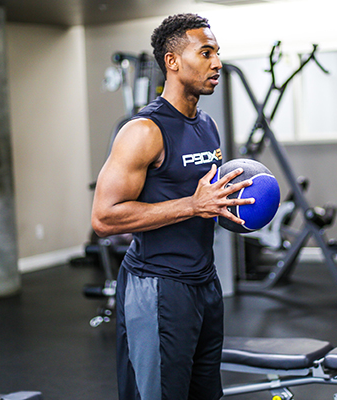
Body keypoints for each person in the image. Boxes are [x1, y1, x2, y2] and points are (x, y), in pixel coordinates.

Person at [91, 13, 254, 400]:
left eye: (218, 53)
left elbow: (204, 200)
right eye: (206, 52)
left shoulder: (207, 125)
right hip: (157, 286)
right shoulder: (143, 131)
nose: (216, 62)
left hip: (203, 283)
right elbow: (103, 217)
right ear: (173, 62)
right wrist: (193, 206)